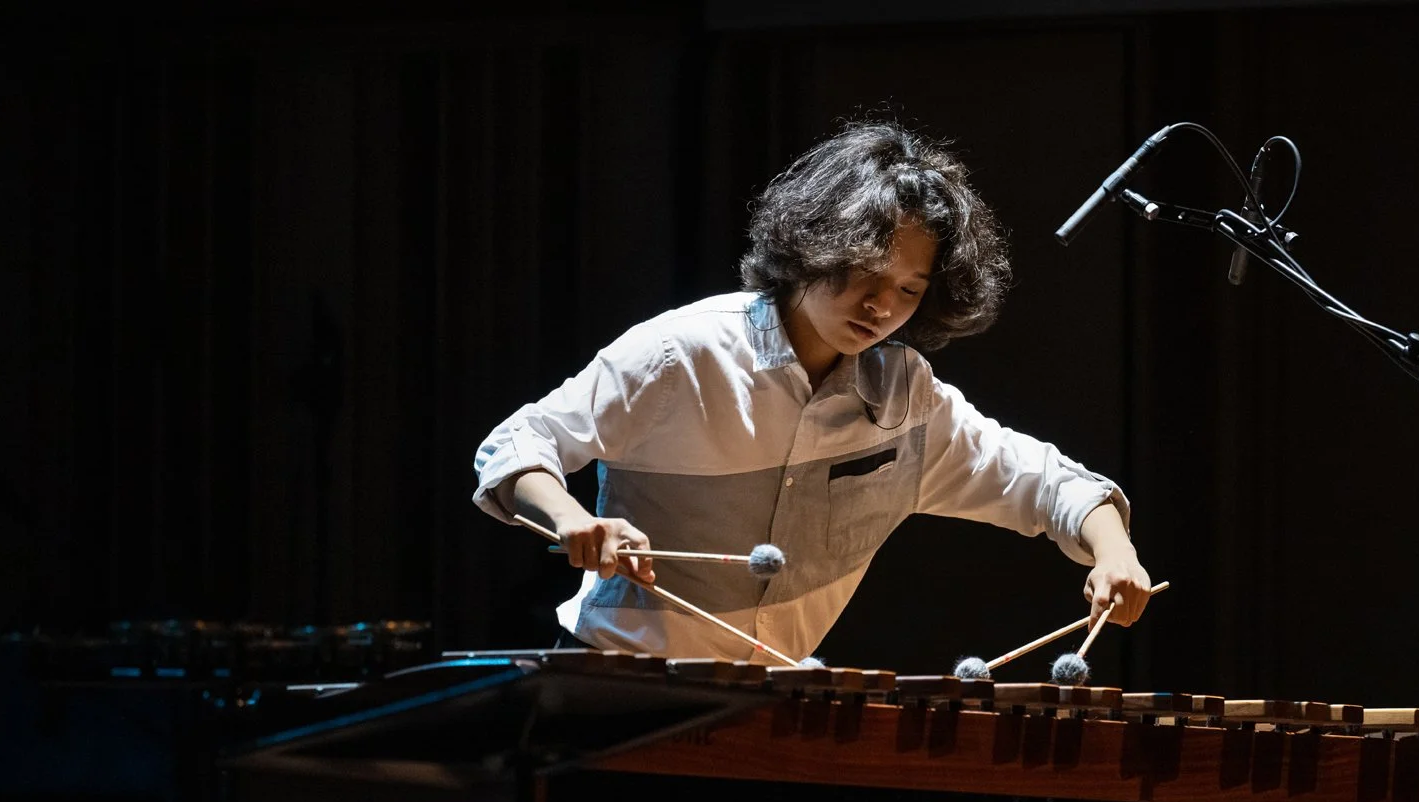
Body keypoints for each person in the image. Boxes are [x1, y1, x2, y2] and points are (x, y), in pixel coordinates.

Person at [473, 120, 1151, 663]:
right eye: (864, 272)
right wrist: (570, 518)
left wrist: (1115, 552)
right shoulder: (681, 354)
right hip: (614, 692)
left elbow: (1048, 482)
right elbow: (517, 443)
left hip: (771, 710)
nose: (882, 305)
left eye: (909, 290)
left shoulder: (906, 399)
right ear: (813, 243)